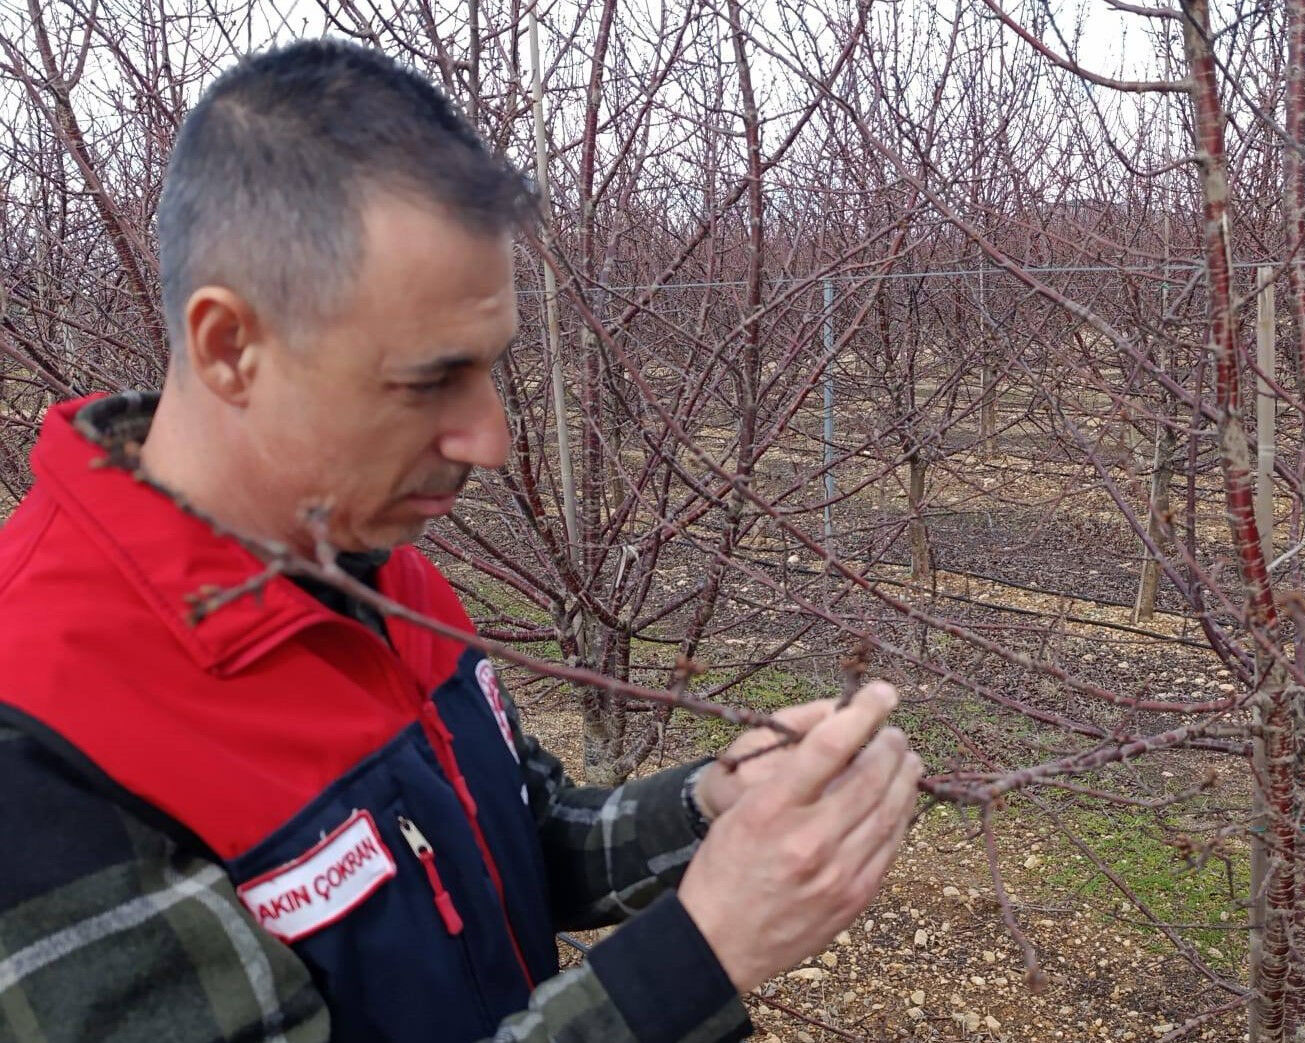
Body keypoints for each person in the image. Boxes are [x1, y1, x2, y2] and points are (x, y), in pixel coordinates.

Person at [0, 39, 921, 1043]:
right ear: (231, 348)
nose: (490, 440)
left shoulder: (375, 570)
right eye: (429, 379)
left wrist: (710, 805)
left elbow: (513, 837)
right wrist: (697, 960)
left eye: (491, 368)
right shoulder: (42, 740)